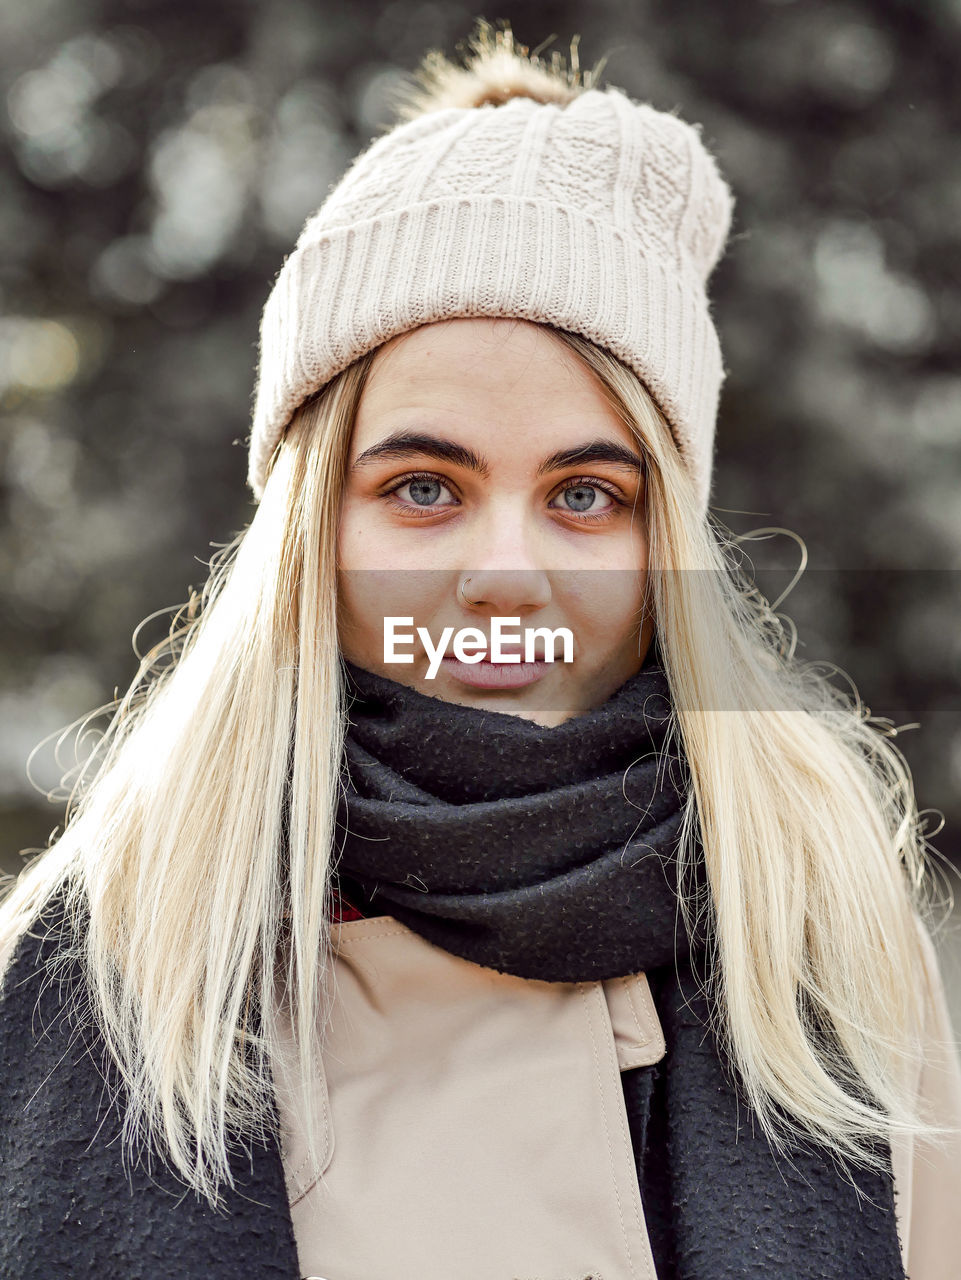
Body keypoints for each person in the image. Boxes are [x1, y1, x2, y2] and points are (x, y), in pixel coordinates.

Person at [1, 19, 959, 1280]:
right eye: (421, 487)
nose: (506, 569)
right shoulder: (102, 964)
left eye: (583, 495)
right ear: (307, 529)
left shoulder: (822, 934)